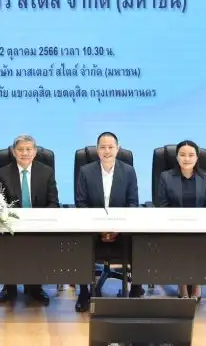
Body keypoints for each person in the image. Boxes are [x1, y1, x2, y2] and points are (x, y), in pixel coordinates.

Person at [74, 131, 144, 312]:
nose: (107, 151)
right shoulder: (86, 171)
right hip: (93, 228)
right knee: (80, 240)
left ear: (118, 149)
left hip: (121, 229)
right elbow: (81, 203)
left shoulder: (128, 171)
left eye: (110, 147)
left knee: (139, 239)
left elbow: (132, 203)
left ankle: (135, 289)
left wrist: (117, 229)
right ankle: (84, 292)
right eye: (103, 147)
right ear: (97, 150)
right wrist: (100, 229)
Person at [0, 134, 59, 305]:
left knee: (37, 242)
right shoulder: (3, 173)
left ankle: (35, 287)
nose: (25, 153)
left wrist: (41, 222)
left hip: (39, 225)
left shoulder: (46, 172)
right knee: (7, 243)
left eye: (28, 149)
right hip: (13, 226)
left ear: (35, 152)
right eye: (20, 149)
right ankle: (9, 287)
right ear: (13, 152)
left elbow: (53, 203)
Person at [156, 139, 206, 301]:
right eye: (182, 155)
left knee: (198, 241)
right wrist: (176, 224)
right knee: (181, 242)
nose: (187, 158)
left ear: (197, 158)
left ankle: (197, 283)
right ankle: (182, 283)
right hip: (174, 227)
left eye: (191, 155)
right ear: (177, 157)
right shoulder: (166, 177)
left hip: (200, 228)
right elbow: (162, 206)